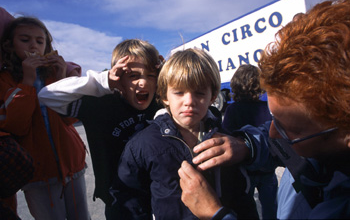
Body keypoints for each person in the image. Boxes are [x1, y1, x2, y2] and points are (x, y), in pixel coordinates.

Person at [178, 0, 350, 219]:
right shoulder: (320, 147)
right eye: (274, 119)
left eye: (293, 130)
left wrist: (216, 214)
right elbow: (284, 148)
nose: (272, 133)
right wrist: (247, 145)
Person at [110, 48, 258, 219]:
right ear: (165, 95)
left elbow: (242, 196)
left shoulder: (226, 142)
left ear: (213, 96)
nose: (189, 101)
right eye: (179, 92)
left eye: (200, 93)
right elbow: (128, 198)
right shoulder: (143, 144)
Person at [38, 39, 164, 218]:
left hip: (160, 195)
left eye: (151, 75)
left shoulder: (162, 101)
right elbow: (47, 96)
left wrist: (169, 72)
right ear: (119, 78)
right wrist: (103, 81)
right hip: (120, 202)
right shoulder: (100, 104)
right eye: (134, 76)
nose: (143, 83)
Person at [0, 16, 89, 219]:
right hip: (36, 170)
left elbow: (70, 119)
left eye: (40, 41)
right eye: (25, 40)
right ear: (10, 45)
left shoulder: (53, 73)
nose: (34, 45)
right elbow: (17, 126)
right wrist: (27, 80)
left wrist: (61, 80)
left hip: (71, 161)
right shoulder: (5, 80)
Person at [222, 64, 277, 219]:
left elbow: (227, 135)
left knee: (246, 206)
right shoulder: (266, 108)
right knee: (270, 207)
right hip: (267, 168)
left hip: (245, 170)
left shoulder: (232, 110)